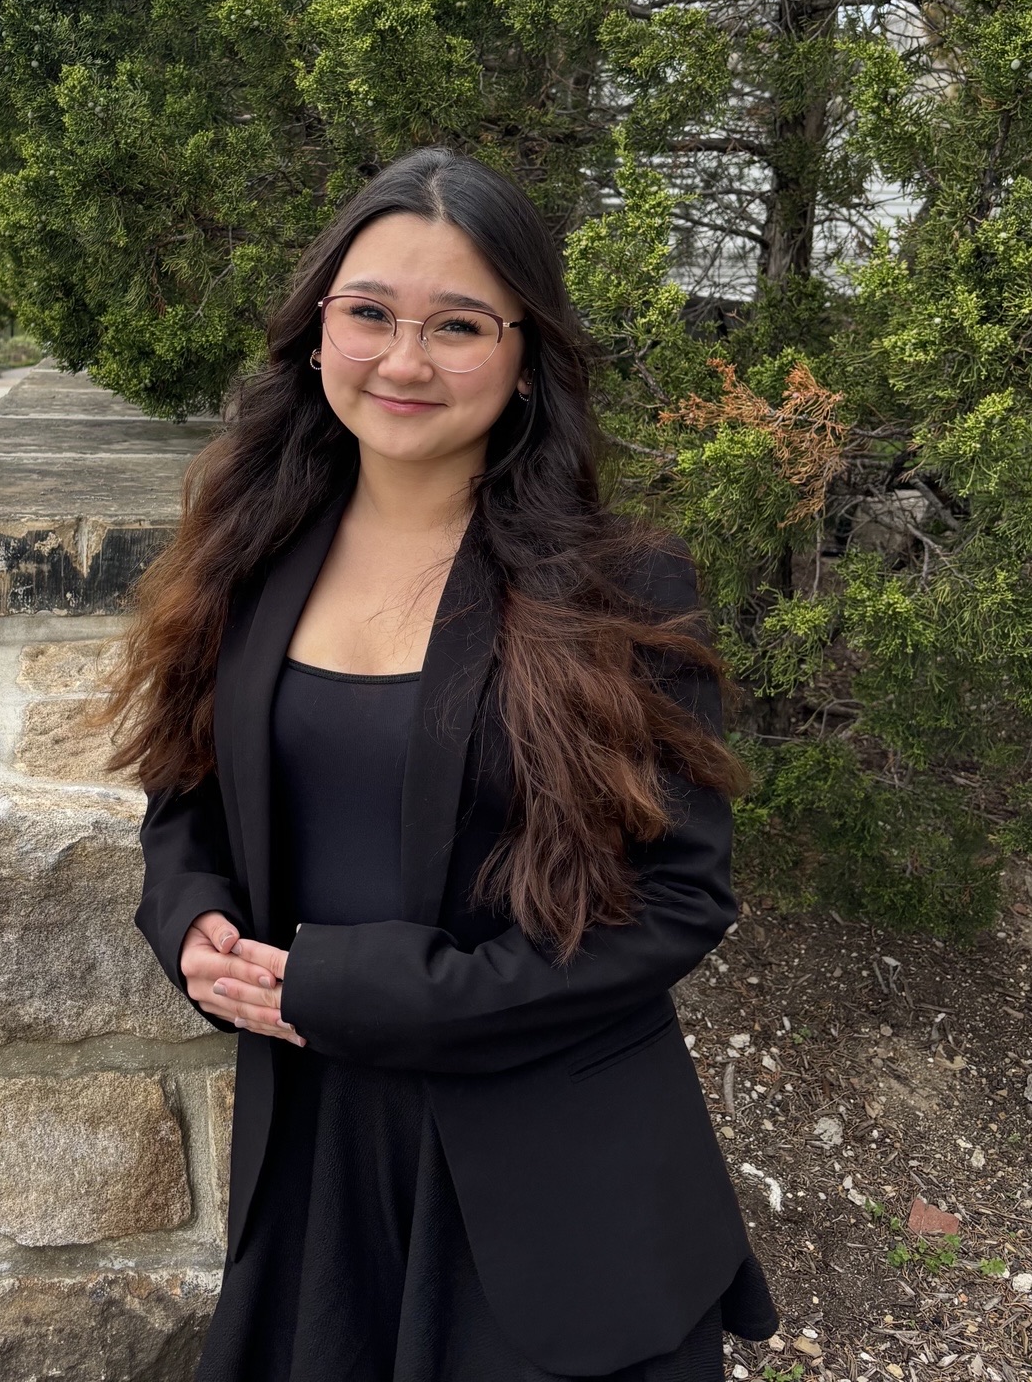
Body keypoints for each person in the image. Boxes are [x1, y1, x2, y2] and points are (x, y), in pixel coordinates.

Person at [103, 148, 779, 1381]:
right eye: (368, 313)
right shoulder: (247, 549)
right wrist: (188, 912)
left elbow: (680, 898)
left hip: (547, 1185)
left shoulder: (620, 585)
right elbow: (184, 793)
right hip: (312, 1165)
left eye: (457, 324)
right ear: (317, 328)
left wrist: (379, 988)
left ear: (524, 355)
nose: (403, 360)